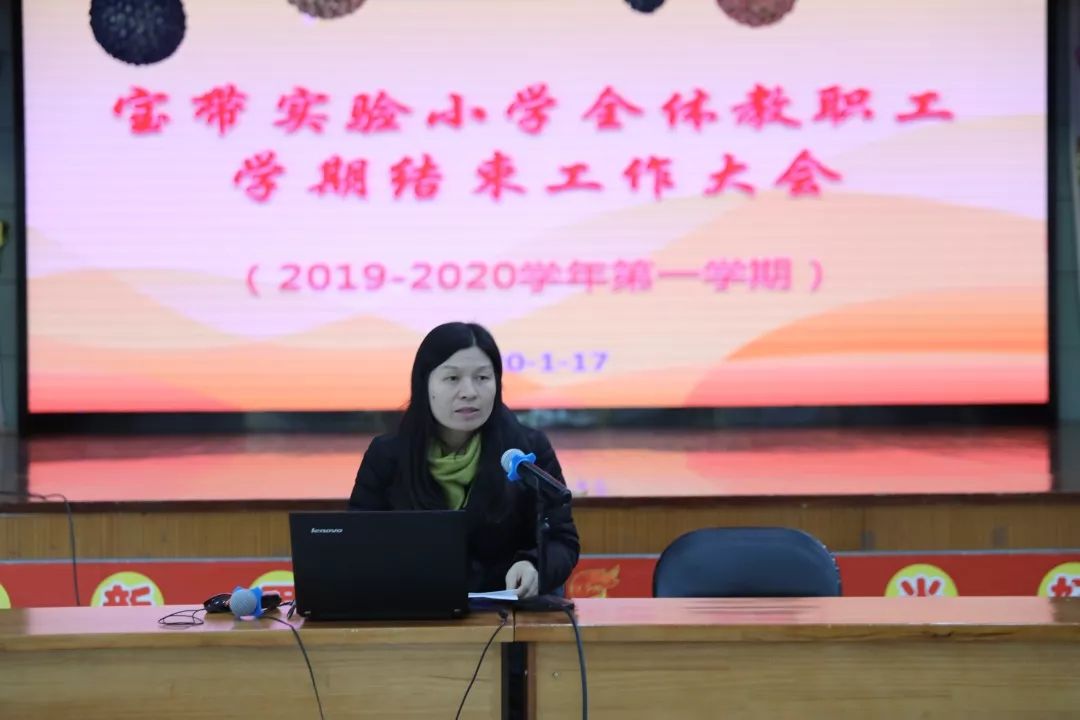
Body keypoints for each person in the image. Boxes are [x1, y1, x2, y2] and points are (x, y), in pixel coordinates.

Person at [347, 321, 579, 598]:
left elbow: (561, 539)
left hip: (507, 611)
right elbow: (358, 543)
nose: (469, 392)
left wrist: (534, 565)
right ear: (424, 384)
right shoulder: (387, 456)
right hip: (417, 610)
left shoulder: (527, 450)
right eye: (452, 378)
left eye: (482, 378)